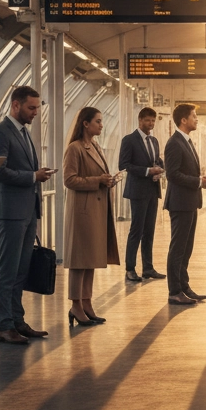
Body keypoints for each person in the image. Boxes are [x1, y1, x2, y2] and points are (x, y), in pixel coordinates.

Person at [0, 86, 55, 345]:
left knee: (20, 270)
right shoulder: (0, 133)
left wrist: (37, 173)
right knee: (7, 269)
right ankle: (5, 325)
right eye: (31, 107)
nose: (36, 112)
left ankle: (17, 320)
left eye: (37, 107)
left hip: (27, 210)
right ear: (16, 105)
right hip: (11, 212)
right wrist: (32, 177)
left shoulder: (23, 133)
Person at [63, 107, 120, 325]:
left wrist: (107, 180)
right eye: (98, 121)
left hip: (95, 210)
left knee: (90, 261)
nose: (102, 125)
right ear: (85, 124)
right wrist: (98, 180)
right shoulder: (75, 149)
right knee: (79, 261)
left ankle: (86, 303)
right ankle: (76, 305)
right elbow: (69, 180)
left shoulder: (95, 146)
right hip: (83, 212)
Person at [164, 102, 206, 305]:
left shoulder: (187, 141)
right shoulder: (174, 143)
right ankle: (175, 291)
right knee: (178, 247)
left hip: (190, 202)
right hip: (180, 203)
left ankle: (184, 286)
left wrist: (201, 179)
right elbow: (172, 174)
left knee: (186, 247)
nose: (196, 119)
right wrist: (198, 181)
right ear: (183, 120)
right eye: (194, 116)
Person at [118, 106, 165, 283]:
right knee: (136, 230)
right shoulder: (129, 140)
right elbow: (123, 164)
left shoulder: (154, 141)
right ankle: (130, 268)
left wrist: (159, 170)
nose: (151, 124)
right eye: (147, 120)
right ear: (140, 120)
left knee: (149, 230)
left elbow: (158, 161)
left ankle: (148, 267)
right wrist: (147, 171)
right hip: (138, 191)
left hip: (152, 191)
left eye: (153, 121)